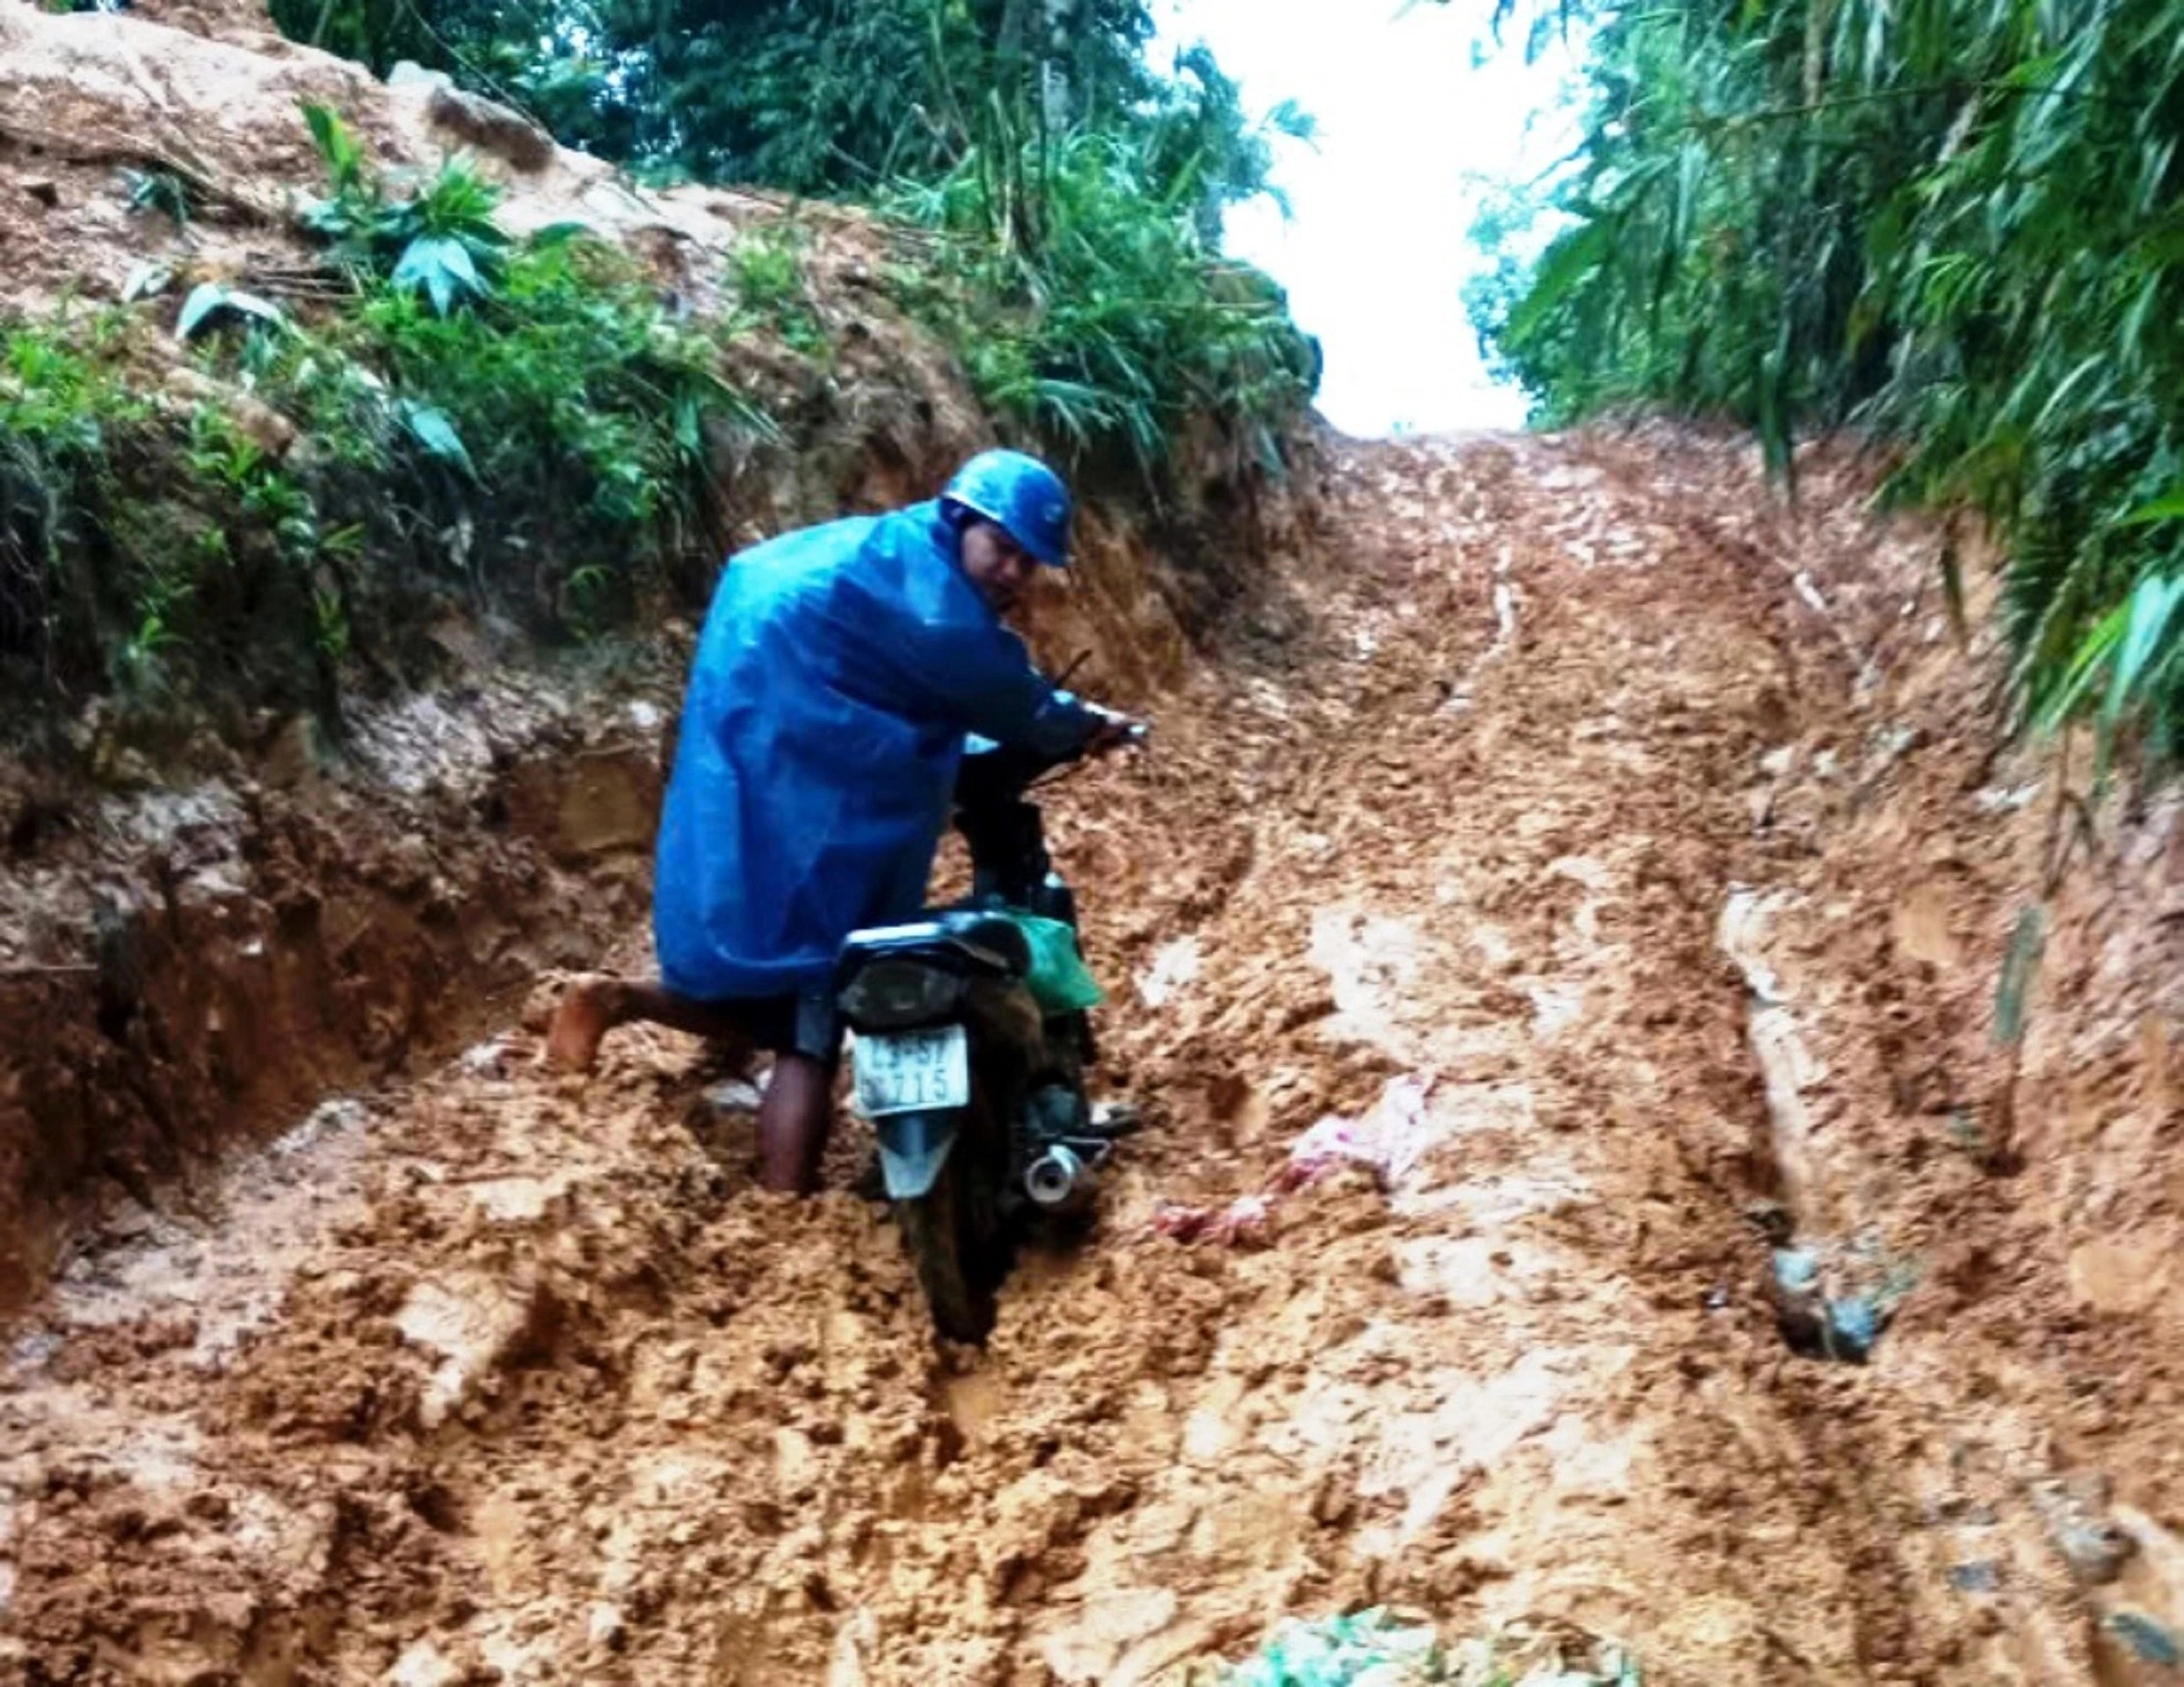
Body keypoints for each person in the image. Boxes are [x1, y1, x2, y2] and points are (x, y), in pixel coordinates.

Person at [545, 448, 1138, 1192]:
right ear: (962, 519)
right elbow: (1009, 698)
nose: (1013, 573)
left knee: (767, 953)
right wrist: (1083, 724)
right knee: (817, 1002)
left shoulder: (891, 549)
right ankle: (786, 1201)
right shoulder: (938, 608)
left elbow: (889, 670)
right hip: (804, 740)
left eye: (1030, 562)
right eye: (1003, 549)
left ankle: (624, 999)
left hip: (763, 716)